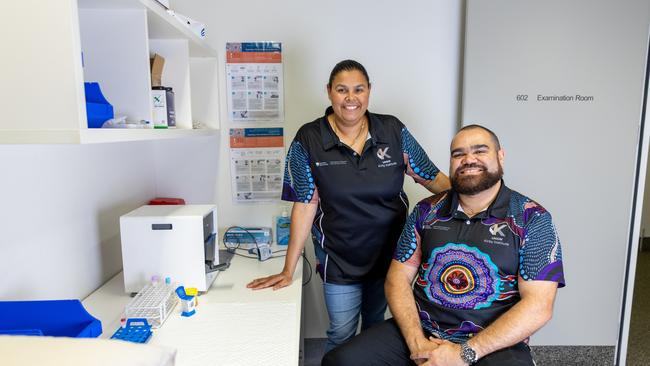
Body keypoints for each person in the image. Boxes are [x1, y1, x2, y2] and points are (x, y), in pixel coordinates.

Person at [246, 59, 451, 352]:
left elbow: (432, 178)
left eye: (359, 89)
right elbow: (305, 205)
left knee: (375, 329)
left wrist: (478, 199)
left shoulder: (392, 131)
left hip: (389, 258)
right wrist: (288, 269)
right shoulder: (309, 139)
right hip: (339, 260)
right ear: (329, 92)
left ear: (369, 91)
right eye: (342, 90)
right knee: (341, 335)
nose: (351, 98)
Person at [322, 124, 565, 365]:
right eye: (458, 154)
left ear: (500, 156)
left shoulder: (532, 218)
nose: (468, 159)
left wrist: (464, 353)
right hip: (424, 329)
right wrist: (417, 343)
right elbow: (397, 279)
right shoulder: (426, 211)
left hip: (493, 342)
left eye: (480, 151)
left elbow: (538, 306)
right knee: (340, 361)